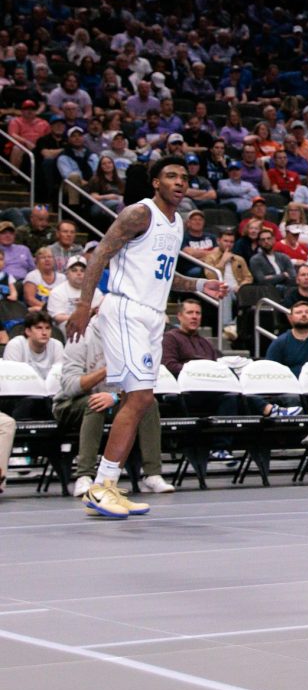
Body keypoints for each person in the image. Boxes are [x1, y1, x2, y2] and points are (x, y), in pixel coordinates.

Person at [64, 156, 226, 518]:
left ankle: (106, 485)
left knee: (139, 401)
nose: (179, 182)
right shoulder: (139, 214)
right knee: (138, 398)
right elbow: (99, 257)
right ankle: (100, 486)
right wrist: (83, 304)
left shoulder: (177, 222)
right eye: (171, 176)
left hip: (152, 315)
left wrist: (201, 284)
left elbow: (165, 276)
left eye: (184, 177)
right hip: (126, 309)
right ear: (156, 182)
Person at [54, 319, 170, 497]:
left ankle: (152, 474)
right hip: (69, 403)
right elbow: (70, 386)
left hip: (113, 400)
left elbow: (141, 385)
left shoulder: (130, 339)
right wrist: (107, 370)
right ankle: (84, 476)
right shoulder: (80, 337)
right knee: (95, 402)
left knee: (148, 403)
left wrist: (115, 397)